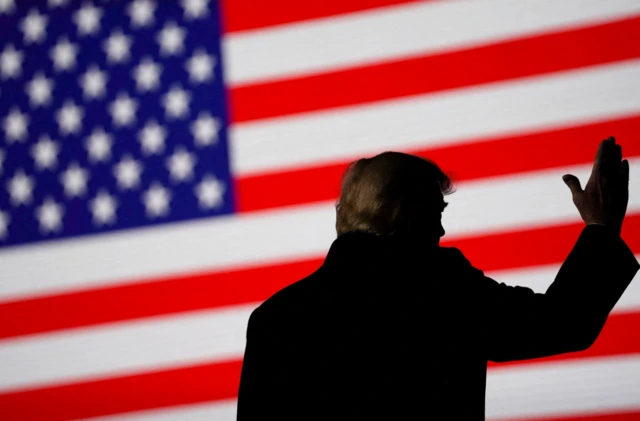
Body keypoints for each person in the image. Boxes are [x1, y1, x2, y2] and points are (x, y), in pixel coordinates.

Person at [236, 137, 638, 420]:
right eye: (436, 215)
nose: (441, 233)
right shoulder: (444, 291)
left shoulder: (274, 319)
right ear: (403, 216)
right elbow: (562, 322)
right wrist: (601, 226)